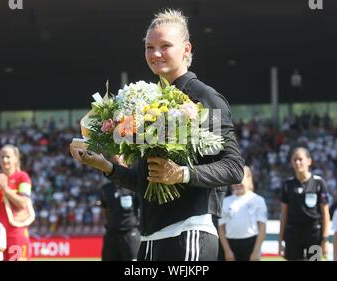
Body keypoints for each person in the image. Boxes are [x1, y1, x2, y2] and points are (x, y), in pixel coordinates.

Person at [70, 9, 244, 261]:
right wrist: (105, 166)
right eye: (149, 47)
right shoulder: (147, 102)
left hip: (189, 232)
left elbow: (234, 167)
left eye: (165, 46)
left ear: (186, 49)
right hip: (150, 237)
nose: (155, 54)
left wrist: (181, 173)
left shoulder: (206, 98)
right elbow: (147, 182)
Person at [0, 144, 35, 261]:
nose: (4, 160)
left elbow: (23, 203)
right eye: (2, 157)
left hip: (16, 234)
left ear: (16, 158)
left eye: (8, 157)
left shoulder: (23, 177)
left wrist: (6, 189)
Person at [278, 147, 330, 261]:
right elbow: (284, 214)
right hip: (293, 235)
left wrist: (325, 239)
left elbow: (325, 214)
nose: (297, 162)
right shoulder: (287, 185)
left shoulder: (319, 183)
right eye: (294, 159)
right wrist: (280, 240)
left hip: (314, 234)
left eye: (300, 159)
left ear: (309, 161)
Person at [218, 166, 267, 261]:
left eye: (240, 179)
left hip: (251, 244)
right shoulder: (225, 202)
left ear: (249, 179)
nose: (237, 183)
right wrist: (227, 250)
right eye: (234, 179)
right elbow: (221, 228)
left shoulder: (258, 200)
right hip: (230, 244)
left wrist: (256, 250)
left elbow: (262, 227)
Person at [100, 155, 141, 261]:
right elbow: (104, 210)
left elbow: (140, 209)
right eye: (114, 164)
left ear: (126, 165)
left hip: (130, 233)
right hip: (111, 234)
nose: (117, 166)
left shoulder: (134, 187)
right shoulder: (106, 189)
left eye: (119, 164)